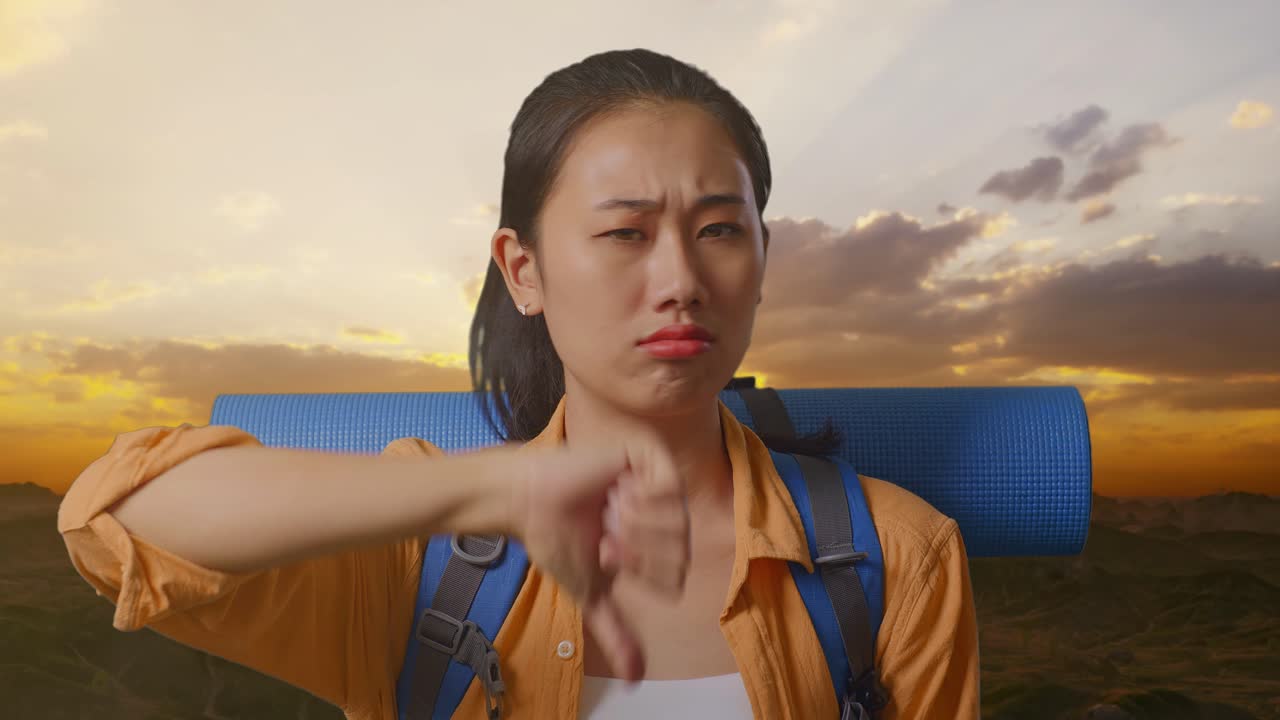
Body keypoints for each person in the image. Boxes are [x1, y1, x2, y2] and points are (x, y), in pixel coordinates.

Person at [57, 48, 980, 719]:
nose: (680, 281)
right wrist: (492, 485)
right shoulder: (422, 560)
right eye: (625, 232)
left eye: (719, 230)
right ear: (523, 270)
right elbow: (113, 519)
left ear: (763, 258)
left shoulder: (898, 560)